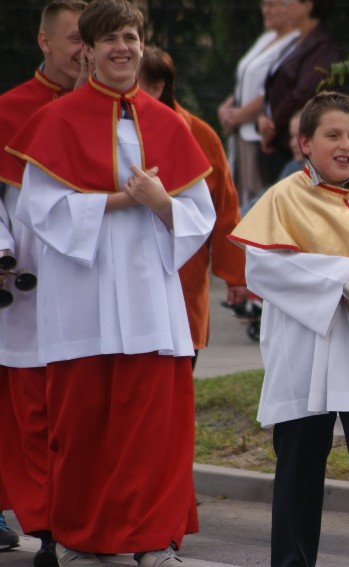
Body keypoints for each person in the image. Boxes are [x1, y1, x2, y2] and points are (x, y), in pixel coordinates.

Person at [7, 0, 216, 565]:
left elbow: (201, 217)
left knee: (153, 431)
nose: (122, 48)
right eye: (109, 40)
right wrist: (129, 199)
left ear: (142, 45)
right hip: (83, 298)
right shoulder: (55, 120)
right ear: (90, 52)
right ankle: (83, 537)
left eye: (130, 37)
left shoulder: (170, 123)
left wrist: (163, 203)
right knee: (82, 429)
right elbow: (41, 211)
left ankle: (151, 541)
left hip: (151, 301)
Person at [229, 91, 349, 567]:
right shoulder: (283, 197)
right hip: (306, 352)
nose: (345, 145)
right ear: (304, 143)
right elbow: (262, 270)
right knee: (297, 477)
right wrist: (339, 275)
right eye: (333, 135)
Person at [0, 2, 87, 565]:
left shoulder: (113, 113)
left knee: (79, 414)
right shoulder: (9, 110)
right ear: (44, 42)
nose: (85, 50)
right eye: (76, 38)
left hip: (86, 286)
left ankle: (79, 520)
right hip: (26, 285)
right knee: (32, 414)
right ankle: (49, 528)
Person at [138, 46, 250, 368]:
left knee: (181, 374)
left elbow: (225, 210)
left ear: (157, 87)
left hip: (184, 281)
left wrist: (235, 275)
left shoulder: (200, 135)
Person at [218, 0, 299, 204]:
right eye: (264, 5)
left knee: (257, 197)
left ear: (288, 7)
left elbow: (273, 91)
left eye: (272, 5)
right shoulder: (267, 38)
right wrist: (227, 107)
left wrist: (238, 116)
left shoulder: (297, 42)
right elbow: (245, 78)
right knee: (240, 194)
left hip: (256, 134)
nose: (265, 10)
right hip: (239, 132)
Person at [257, 0, 340, 178]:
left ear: (308, 6)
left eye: (289, 3)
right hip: (279, 135)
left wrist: (273, 123)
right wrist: (264, 116)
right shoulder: (296, 40)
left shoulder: (322, 44)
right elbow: (274, 84)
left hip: (291, 138)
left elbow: (304, 91)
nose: (285, 8)